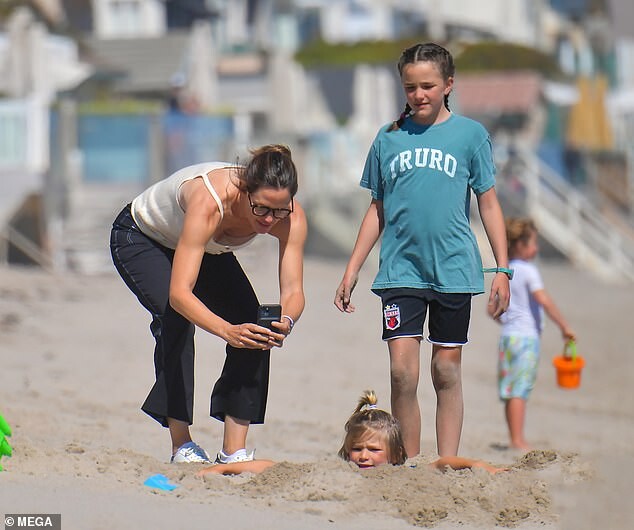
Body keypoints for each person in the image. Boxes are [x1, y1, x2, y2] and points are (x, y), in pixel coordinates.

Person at [334, 42, 510, 458]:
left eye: (428, 86)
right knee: (401, 374)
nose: (419, 95)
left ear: (448, 84)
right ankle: (409, 464)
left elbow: (488, 203)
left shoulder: (471, 136)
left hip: (453, 269)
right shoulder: (388, 138)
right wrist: (352, 269)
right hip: (400, 271)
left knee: (445, 370)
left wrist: (503, 269)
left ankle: (446, 461)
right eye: (410, 87)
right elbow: (376, 208)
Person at [110, 144, 307, 464]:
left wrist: (286, 321)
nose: (270, 219)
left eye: (280, 210)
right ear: (244, 191)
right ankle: (182, 445)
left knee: (255, 324)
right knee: (175, 318)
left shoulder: (291, 219)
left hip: (204, 248)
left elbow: (294, 291)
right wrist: (227, 331)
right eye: (261, 209)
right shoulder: (209, 201)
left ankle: (233, 450)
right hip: (143, 237)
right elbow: (180, 294)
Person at [196, 390, 506, 475]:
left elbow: (442, 463)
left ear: (396, 454)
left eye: (374, 450)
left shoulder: (405, 471)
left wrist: (483, 466)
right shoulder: (337, 472)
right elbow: (276, 468)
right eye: (357, 449)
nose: (364, 456)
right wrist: (223, 469)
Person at [497, 218, 575, 451]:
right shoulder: (529, 271)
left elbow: (493, 309)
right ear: (520, 245)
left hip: (508, 338)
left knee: (510, 389)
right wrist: (564, 326)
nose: (536, 248)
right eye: (533, 243)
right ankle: (517, 439)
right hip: (526, 338)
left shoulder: (507, 271)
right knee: (520, 390)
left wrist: (507, 319)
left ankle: (513, 436)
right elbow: (543, 299)